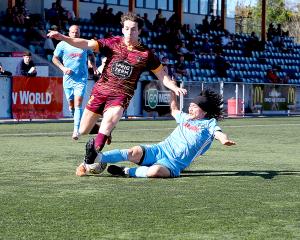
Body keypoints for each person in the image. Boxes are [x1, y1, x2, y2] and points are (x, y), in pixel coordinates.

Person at [47, 12, 187, 161]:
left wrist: (174, 87)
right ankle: (104, 131)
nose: (129, 32)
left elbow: (162, 75)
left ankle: (91, 160)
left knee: (109, 122)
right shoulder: (112, 43)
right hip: (101, 90)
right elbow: (86, 43)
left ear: (139, 31)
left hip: (121, 95)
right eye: (126, 28)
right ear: (122, 29)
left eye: (133, 29)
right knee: (83, 130)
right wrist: (63, 37)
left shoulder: (146, 54)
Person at [76, 89, 236, 178]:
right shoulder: (185, 118)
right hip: (161, 149)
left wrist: (224, 140)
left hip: (175, 163)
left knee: (155, 172)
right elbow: (174, 109)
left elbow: (218, 133)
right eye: (190, 105)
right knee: (134, 151)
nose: (190, 108)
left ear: (204, 110)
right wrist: (173, 93)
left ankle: (125, 171)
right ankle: (96, 157)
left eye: (194, 106)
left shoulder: (209, 124)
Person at [52, 25, 99, 140]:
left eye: (77, 32)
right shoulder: (62, 44)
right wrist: (63, 69)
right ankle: (89, 125)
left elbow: (91, 55)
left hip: (81, 79)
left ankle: (76, 131)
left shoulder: (84, 43)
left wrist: (94, 67)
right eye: (72, 32)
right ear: (69, 33)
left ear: (79, 33)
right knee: (72, 106)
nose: (74, 34)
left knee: (78, 104)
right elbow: (54, 58)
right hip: (68, 79)